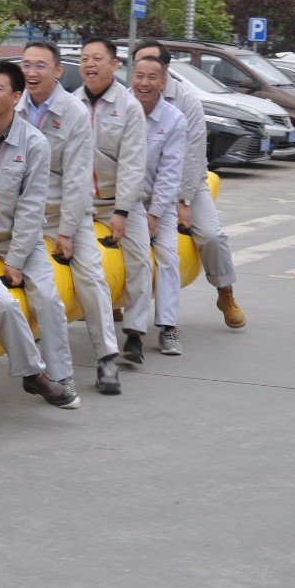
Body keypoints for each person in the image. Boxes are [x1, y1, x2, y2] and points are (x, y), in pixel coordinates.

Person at [0, 60, 80, 408]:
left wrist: (17, 259)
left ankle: (60, 374)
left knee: (47, 298)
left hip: (19, 240)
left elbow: (32, 208)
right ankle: (31, 371)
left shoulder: (35, 144)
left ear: (16, 96)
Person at [19, 42, 122, 394]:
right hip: (20, 216)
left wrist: (66, 231)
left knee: (90, 276)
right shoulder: (14, 106)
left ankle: (107, 356)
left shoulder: (74, 113)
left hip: (63, 214)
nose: (32, 72)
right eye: (26, 65)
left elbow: (78, 178)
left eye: (40, 65)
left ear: (58, 70)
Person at [132, 40, 245, 329]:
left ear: (166, 70)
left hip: (186, 183)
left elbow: (193, 154)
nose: (145, 77)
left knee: (211, 236)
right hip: (138, 186)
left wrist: (183, 200)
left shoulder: (186, 100)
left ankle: (224, 291)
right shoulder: (126, 99)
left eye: (152, 67)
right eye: (139, 68)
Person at [77, 37, 152, 371]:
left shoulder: (129, 106)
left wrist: (122, 211)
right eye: (85, 58)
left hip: (120, 202)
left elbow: (134, 163)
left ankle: (134, 333)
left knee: (139, 260)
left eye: (97, 58)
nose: (89, 64)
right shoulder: (71, 104)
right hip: (80, 201)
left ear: (114, 65)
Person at [128, 53, 188, 356]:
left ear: (163, 82)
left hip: (156, 204)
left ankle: (168, 326)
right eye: (139, 76)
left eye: (152, 77)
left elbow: (170, 174)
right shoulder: (119, 109)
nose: (144, 83)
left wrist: (153, 214)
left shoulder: (174, 120)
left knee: (167, 256)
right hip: (121, 202)